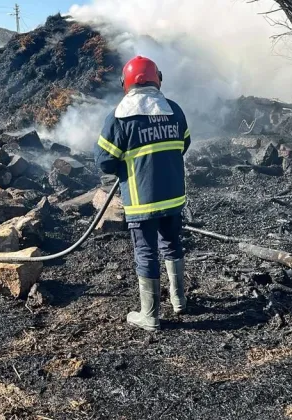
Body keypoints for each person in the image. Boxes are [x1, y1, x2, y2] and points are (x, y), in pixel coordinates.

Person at [94, 56, 192, 331]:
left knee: (146, 252)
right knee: (172, 243)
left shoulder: (120, 117)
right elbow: (184, 144)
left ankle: (149, 316)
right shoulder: (174, 110)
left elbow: (104, 161)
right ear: (157, 78)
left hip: (141, 199)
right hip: (173, 196)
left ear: (125, 84)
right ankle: (179, 300)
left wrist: (127, 164)